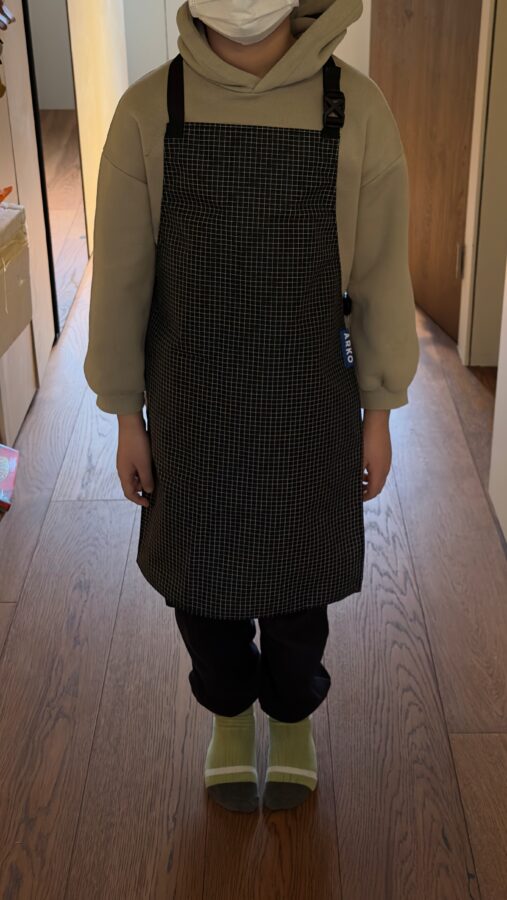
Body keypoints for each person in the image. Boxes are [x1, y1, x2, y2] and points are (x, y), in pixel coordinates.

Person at [84, 0, 419, 815]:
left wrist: (378, 411)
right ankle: (229, 713)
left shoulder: (355, 108)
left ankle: (291, 715)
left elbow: (379, 274)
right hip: (190, 412)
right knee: (201, 589)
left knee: (300, 595)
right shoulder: (148, 112)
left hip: (309, 410)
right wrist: (125, 414)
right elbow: (121, 282)